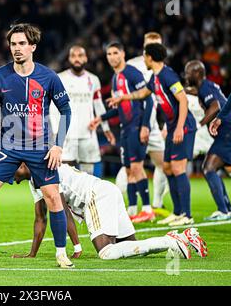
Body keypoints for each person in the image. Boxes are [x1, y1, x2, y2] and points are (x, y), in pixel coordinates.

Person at [0, 23, 74, 268]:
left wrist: (58, 146)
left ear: (32, 47)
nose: (16, 49)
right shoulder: (0, 75)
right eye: (13, 44)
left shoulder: (48, 77)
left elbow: (66, 111)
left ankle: (61, 252)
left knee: (53, 199)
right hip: (7, 145)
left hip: (40, 147)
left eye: (21, 44)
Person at [12, 163, 208, 260]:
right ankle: (182, 238)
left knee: (106, 252)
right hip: (107, 190)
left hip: (96, 196)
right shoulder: (34, 179)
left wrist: (77, 246)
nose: (9, 177)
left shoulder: (43, 173)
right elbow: (41, 219)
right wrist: (31, 254)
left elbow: (63, 211)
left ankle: (171, 240)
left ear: (22, 165)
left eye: (11, 170)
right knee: (132, 248)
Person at [108, 43, 197, 227]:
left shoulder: (168, 75)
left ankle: (187, 214)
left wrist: (180, 127)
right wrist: (122, 97)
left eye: (144, 56)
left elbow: (183, 100)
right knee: (167, 167)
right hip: (172, 127)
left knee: (178, 168)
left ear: (150, 57)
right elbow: (143, 93)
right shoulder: (155, 77)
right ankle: (178, 212)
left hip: (184, 126)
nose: (144, 59)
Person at [90, 42, 155, 223]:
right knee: (128, 170)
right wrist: (101, 118)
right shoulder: (114, 78)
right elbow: (119, 107)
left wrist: (145, 126)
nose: (112, 57)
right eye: (109, 54)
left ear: (123, 54)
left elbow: (148, 100)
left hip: (136, 126)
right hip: (125, 129)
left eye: (115, 53)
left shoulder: (132, 73)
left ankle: (148, 209)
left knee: (137, 168)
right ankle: (133, 209)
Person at [184, 60, 231, 220]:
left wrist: (199, 125)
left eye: (188, 72)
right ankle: (228, 208)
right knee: (219, 169)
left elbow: (215, 106)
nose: (186, 75)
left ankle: (223, 211)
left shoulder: (205, 87)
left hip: (229, 133)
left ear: (197, 74)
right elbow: (198, 93)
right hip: (229, 132)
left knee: (208, 168)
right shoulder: (206, 87)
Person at [115, 32, 169, 215]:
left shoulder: (163, 69)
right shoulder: (133, 66)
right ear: (144, 45)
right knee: (131, 166)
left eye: (157, 43)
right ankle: (125, 203)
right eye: (150, 43)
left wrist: (166, 125)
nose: (153, 46)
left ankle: (156, 203)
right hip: (136, 123)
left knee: (165, 164)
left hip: (154, 124)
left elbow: (165, 100)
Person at [49, 45, 115, 175]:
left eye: (80, 56)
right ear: (69, 59)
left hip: (87, 133)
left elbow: (98, 105)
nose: (77, 59)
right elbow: (53, 107)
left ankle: (86, 196)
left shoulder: (93, 80)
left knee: (88, 175)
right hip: (66, 135)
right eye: (73, 56)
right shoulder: (60, 78)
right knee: (65, 174)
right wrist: (57, 131)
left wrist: (106, 128)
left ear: (85, 58)